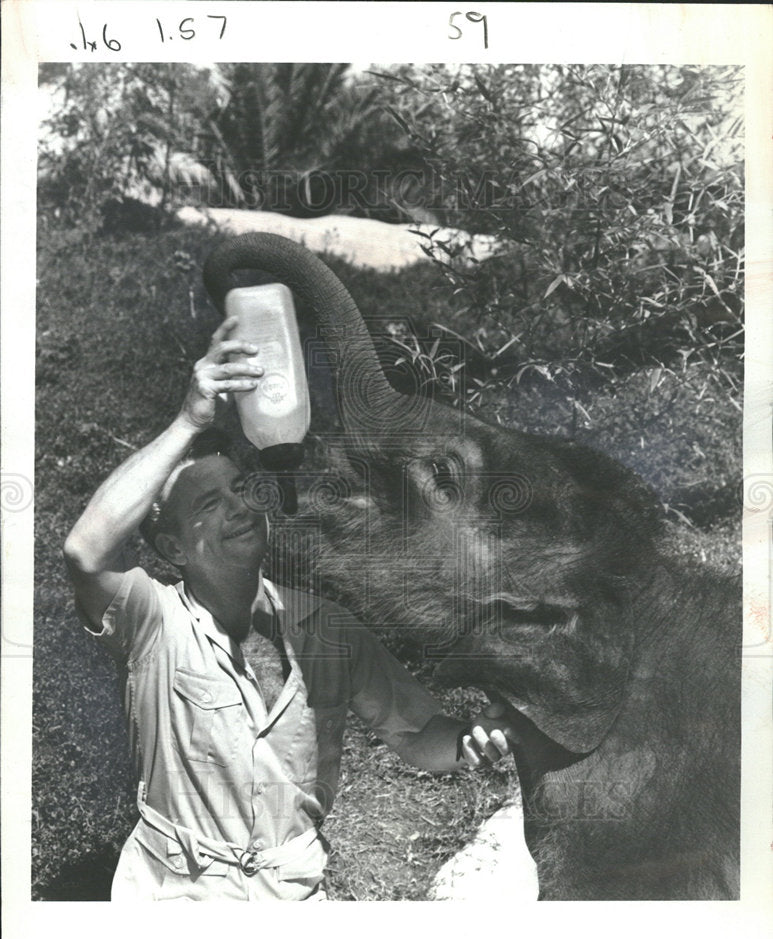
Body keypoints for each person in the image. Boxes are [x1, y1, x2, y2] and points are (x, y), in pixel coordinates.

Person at [63, 316, 517, 901]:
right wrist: (190, 420)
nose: (238, 506)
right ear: (174, 549)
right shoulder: (152, 620)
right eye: (208, 502)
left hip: (293, 894)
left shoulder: (328, 628)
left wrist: (468, 742)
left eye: (240, 488)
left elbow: (418, 735)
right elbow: (84, 550)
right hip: (173, 897)